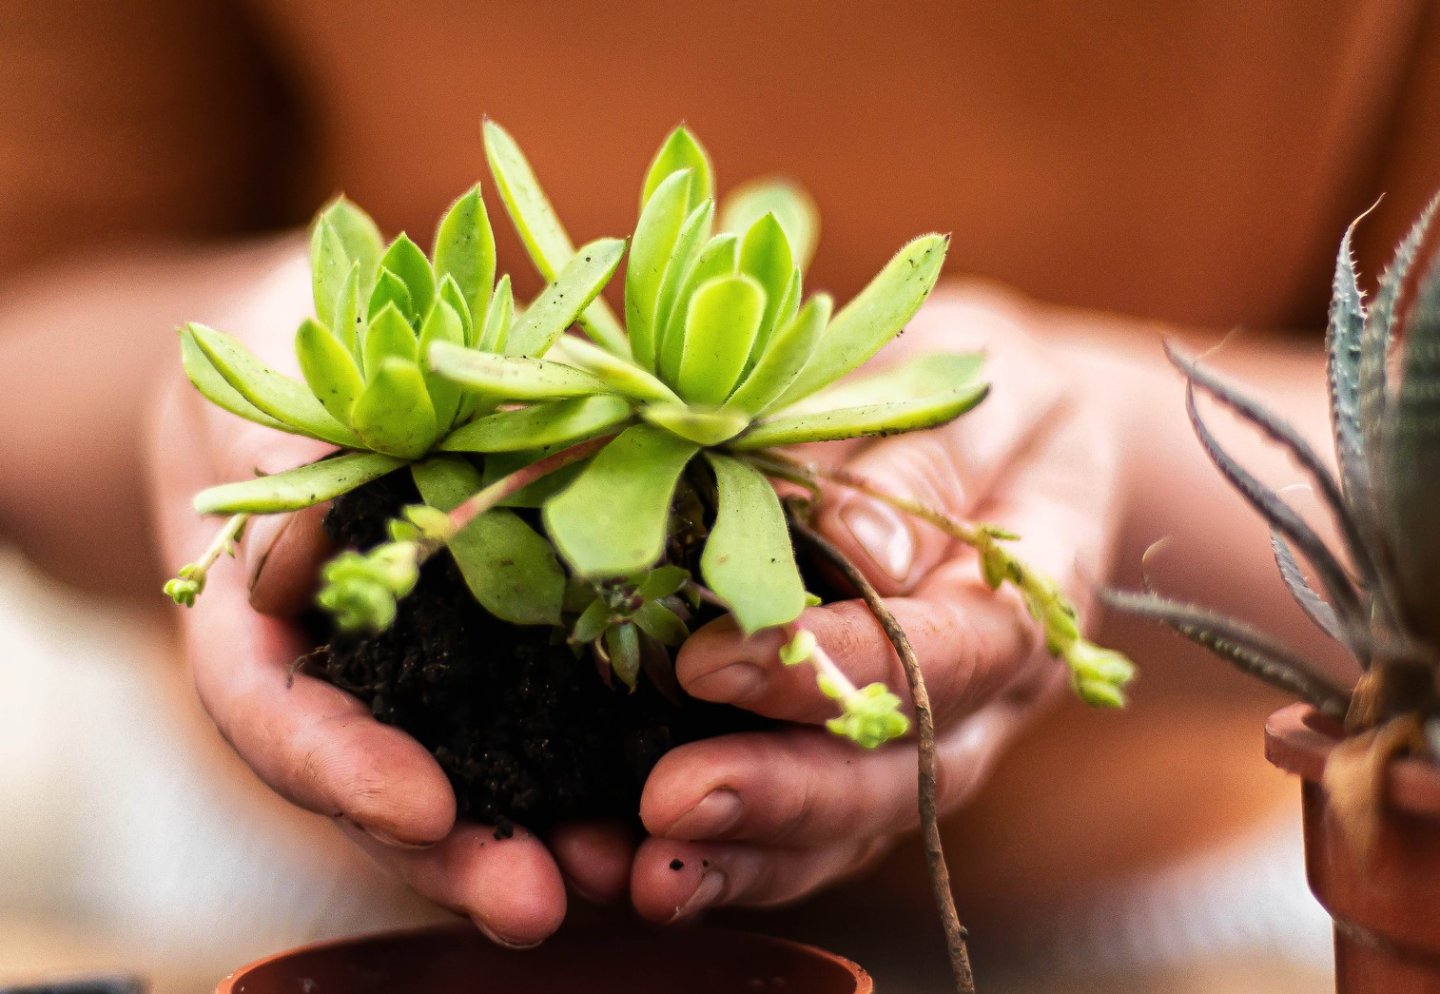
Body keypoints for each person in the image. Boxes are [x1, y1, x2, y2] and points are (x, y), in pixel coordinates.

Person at [1, 0, 1435, 977]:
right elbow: (30, 323)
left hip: (1202, 930)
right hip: (309, 918)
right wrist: (200, 408)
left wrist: (1120, 460)